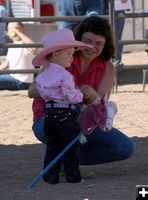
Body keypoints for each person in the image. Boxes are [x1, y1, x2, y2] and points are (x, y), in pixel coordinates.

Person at [28, 16, 135, 182]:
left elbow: (101, 108)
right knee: (71, 120)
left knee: (124, 148)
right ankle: (64, 160)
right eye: (88, 41)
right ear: (79, 39)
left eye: (98, 43)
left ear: (106, 44)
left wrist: (93, 95)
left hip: (80, 121)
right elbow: (32, 91)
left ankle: (64, 160)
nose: (92, 47)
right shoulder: (60, 56)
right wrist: (63, 91)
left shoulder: (108, 68)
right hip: (47, 119)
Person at [32, 28, 92, 184]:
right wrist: (80, 95)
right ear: (56, 54)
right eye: (69, 54)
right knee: (71, 147)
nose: (72, 59)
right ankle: (73, 177)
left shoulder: (43, 74)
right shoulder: (65, 75)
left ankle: (50, 177)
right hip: (65, 114)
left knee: (53, 146)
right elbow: (70, 96)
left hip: (49, 114)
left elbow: (42, 93)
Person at [0, 22, 37, 90]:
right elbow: (6, 64)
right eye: (10, 29)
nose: (13, 30)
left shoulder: (25, 43)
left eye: (16, 28)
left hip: (22, 80)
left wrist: (19, 33)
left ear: (22, 30)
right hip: (13, 77)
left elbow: (34, 47)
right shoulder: (11, 46)